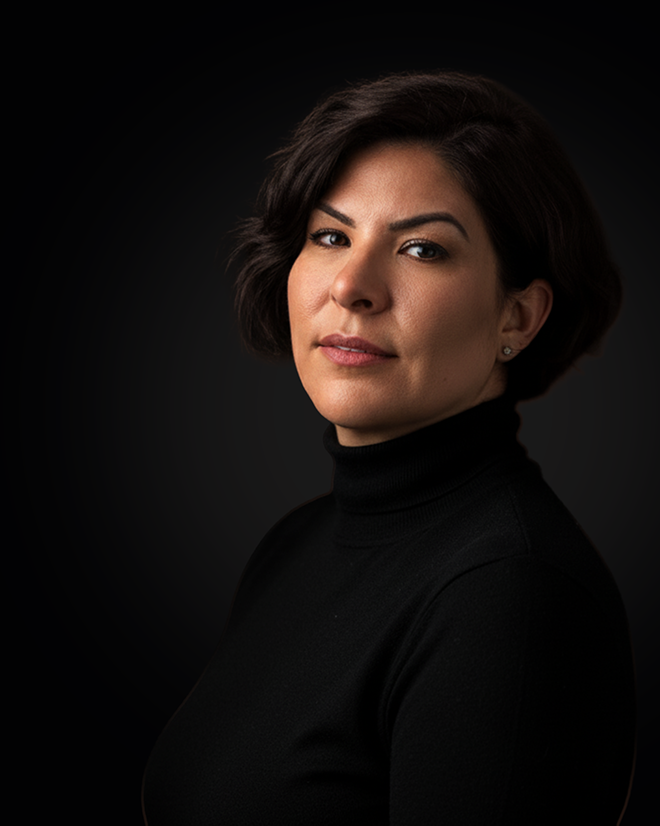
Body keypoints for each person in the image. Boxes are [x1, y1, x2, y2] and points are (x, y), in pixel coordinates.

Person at [142, 71, 636, 824]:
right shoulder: (294, 544)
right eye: (331, 236)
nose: (353, 286)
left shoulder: (511, 596)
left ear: (517, 317)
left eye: (422, 249)